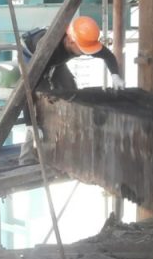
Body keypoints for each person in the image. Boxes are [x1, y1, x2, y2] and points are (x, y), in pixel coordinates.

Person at [18, 16, 124, 163]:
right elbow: (26, 90)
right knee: (43, 100)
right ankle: (27, 157)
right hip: (32, 59)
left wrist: (115, 75)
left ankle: (68, 146)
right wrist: (29, 124)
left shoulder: (82, 41)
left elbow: (107, 55)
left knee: (71, 92)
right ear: (70, 40)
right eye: (82, 50)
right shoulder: (47, 48)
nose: (85, 53)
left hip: (56, 61)